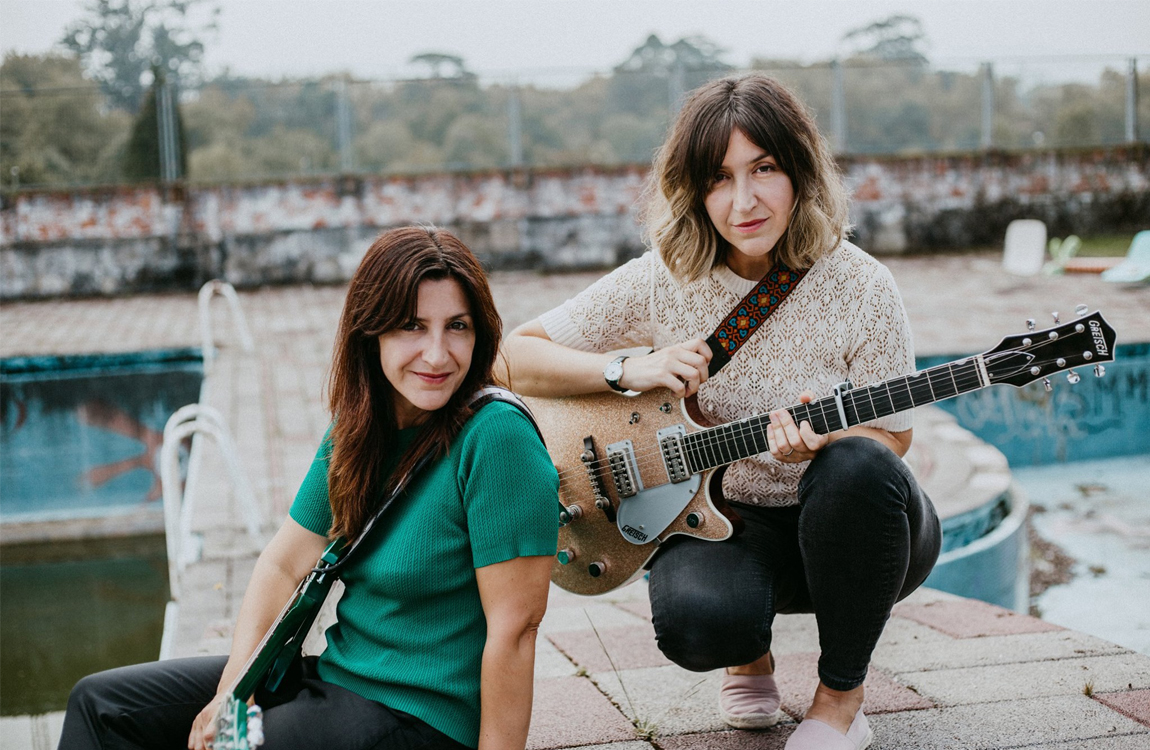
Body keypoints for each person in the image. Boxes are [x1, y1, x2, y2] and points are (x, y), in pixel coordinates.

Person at [501, 74, 940, 750]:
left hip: (860, 532)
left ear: (799, 170)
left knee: (857, 462)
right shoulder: (662, 280)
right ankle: (748, 655)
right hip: (726, 522)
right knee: (697, 625)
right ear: (694, 192)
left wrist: (823, 444)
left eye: (764, 168)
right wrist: (626, 369)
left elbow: (896, 439)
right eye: (719, 178)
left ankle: (839, 702)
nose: (744, 200)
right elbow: (512, 356)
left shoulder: (862, 285)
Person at [60, 227, 560, 750]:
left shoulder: (497, 437)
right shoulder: (362, 427)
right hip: (337, 680)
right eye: (413, 326)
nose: (436, 355)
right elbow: (282, 563)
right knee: (102, 706)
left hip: (424, 718)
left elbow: (516, 629)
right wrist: (233, 691)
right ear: (373, 331)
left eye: (457, 327)